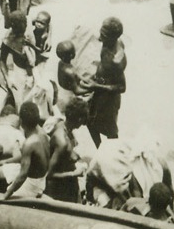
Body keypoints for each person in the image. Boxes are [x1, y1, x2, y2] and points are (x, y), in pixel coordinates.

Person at [0, 100, 49, 201]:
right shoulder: (43, 134)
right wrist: (6, 161)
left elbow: (23, 175)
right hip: (40, 180)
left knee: (8, 195)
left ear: (21, 121)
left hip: (32, 185)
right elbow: (33, 158)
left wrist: (5, 196)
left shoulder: (29, 143)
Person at [87, 17, 126, 147]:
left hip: (109, 99)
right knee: (90, 122)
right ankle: (101, 150)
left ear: (112, 37)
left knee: (110, 131)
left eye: (103, 35)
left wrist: (96, 85)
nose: (100, 37)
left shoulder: (117, 60)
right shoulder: (108, 41)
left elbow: (122, 87)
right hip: (100, 90)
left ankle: (112, 155)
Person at [44, 100, 88, 202]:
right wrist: (74, 174)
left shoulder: (62, 125)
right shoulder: (62, 141)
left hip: (66, 185)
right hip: (58, 191)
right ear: (79, 119)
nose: (83, 124)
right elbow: (49, 174)